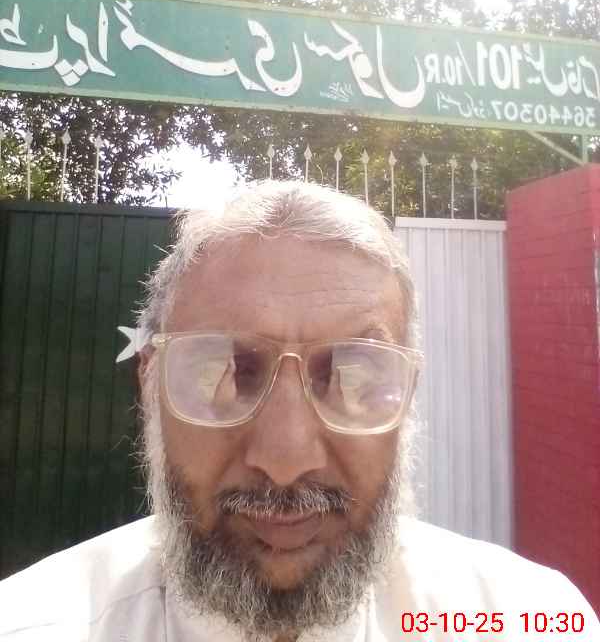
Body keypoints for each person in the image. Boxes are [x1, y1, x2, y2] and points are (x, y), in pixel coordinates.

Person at [0, 180, 598, 642]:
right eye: (227, 373)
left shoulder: (526, 617)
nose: (285, 460)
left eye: (351, 376)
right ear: (150, 386)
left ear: (407, 399)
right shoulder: (33, 624)